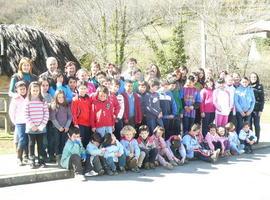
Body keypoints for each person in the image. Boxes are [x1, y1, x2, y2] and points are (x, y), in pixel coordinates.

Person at [25, 81, 49, 168]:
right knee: (31, 144)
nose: (35, 92)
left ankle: (41, 160)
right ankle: (32, 160)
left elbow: (46, 114)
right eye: (33, 90)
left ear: (39, 90)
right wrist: (32, 125)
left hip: (41, 128)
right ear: (30, 90)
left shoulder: (43, 101)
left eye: (37, 90)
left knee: (41, 145)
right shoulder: (27, 101)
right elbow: (26, 115)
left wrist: (41, 125)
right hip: (31, 128)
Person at [50, 90, 72, 165]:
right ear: (56, 98)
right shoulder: (54, 106)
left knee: (63, 142)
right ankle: (58, 157)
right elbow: (53, 118)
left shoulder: (67, 105)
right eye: (59, 97)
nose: (61, 99)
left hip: (65, 128)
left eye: (62, 97)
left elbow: (70, 117)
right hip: (56, 128)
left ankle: (63, 156)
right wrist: (59, 127)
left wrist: (67, 126)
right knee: (57, 142)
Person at [9, 81, 28, 166]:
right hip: (20, 122)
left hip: (29, 122)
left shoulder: (28, 97)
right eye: (20, 89)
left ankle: (26, 156)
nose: (23, 90)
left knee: (28, 140)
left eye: (24, 89)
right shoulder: (15, 99)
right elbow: (11, 112)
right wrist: (15, 122)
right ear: (17, 90)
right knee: (22, 140)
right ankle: (19, 157)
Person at [71, 81, 92, 148]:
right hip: (80, 123)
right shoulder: (75, 99)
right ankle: (80, 154)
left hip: (88, 123)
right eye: (81, 88)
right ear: (77, 89)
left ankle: (86, 154)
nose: (83, 90)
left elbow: (91, 110)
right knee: (80, 140)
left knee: (87, 139)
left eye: (84, 88)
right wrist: (75, 123)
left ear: (87, 89)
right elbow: (73, 112)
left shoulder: (89, 99)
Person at [249, 72, 264, 143]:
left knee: (256, 124)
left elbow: (262, 99)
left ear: (257, 78)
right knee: (249, 125)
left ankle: (257, 139)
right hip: (249, 109)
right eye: (252, 77)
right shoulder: (248, 86)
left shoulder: (260, 86)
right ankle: (251, 139)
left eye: (255, 77)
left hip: (257, 109)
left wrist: (261, 110)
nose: (253, 78)